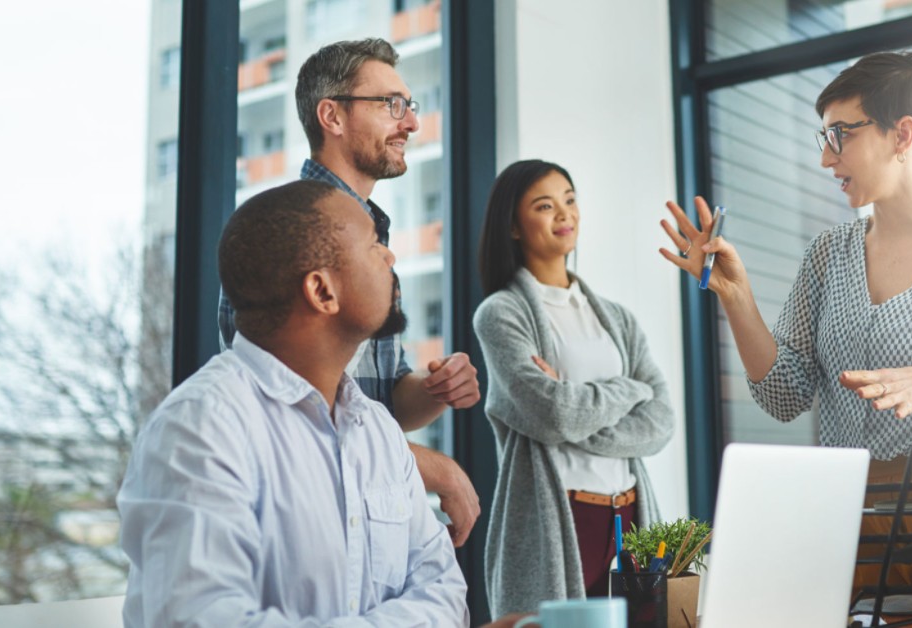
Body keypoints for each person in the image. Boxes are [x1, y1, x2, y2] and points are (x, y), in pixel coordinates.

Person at [659, 51, 912, 626]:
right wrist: (736, 296)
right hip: (851, 528)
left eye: (840, 135)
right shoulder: (828, 255)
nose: (825, 157)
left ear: (903, 134)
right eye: (824, 137)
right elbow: (785, 394)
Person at [119, 180, 469, 626]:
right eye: (373, 245)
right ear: (322, 291)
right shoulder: (200, 426)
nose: (390, 257)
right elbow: (204, 619)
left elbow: (446, 593)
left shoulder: (377, 429)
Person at [216, 38, 481, 547]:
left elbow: (384, 399)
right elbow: (288, 410)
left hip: (369, 509)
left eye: (410, 106)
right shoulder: (281, 231)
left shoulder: (374, 239)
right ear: (331, 116)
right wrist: (429, 466)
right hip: (305, 520)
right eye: (391, 105)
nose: (411, 123)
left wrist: (434, 390)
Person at [474, 160, 675, 616]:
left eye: (569, 199)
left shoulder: (617, 317)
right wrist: (630, 389)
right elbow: (554, 415)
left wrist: (575, 403)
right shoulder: (501, 314)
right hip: (561, 517)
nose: (565, 214)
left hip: (631, 514)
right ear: (513, 226)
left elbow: (661, 423)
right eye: (545, 206)